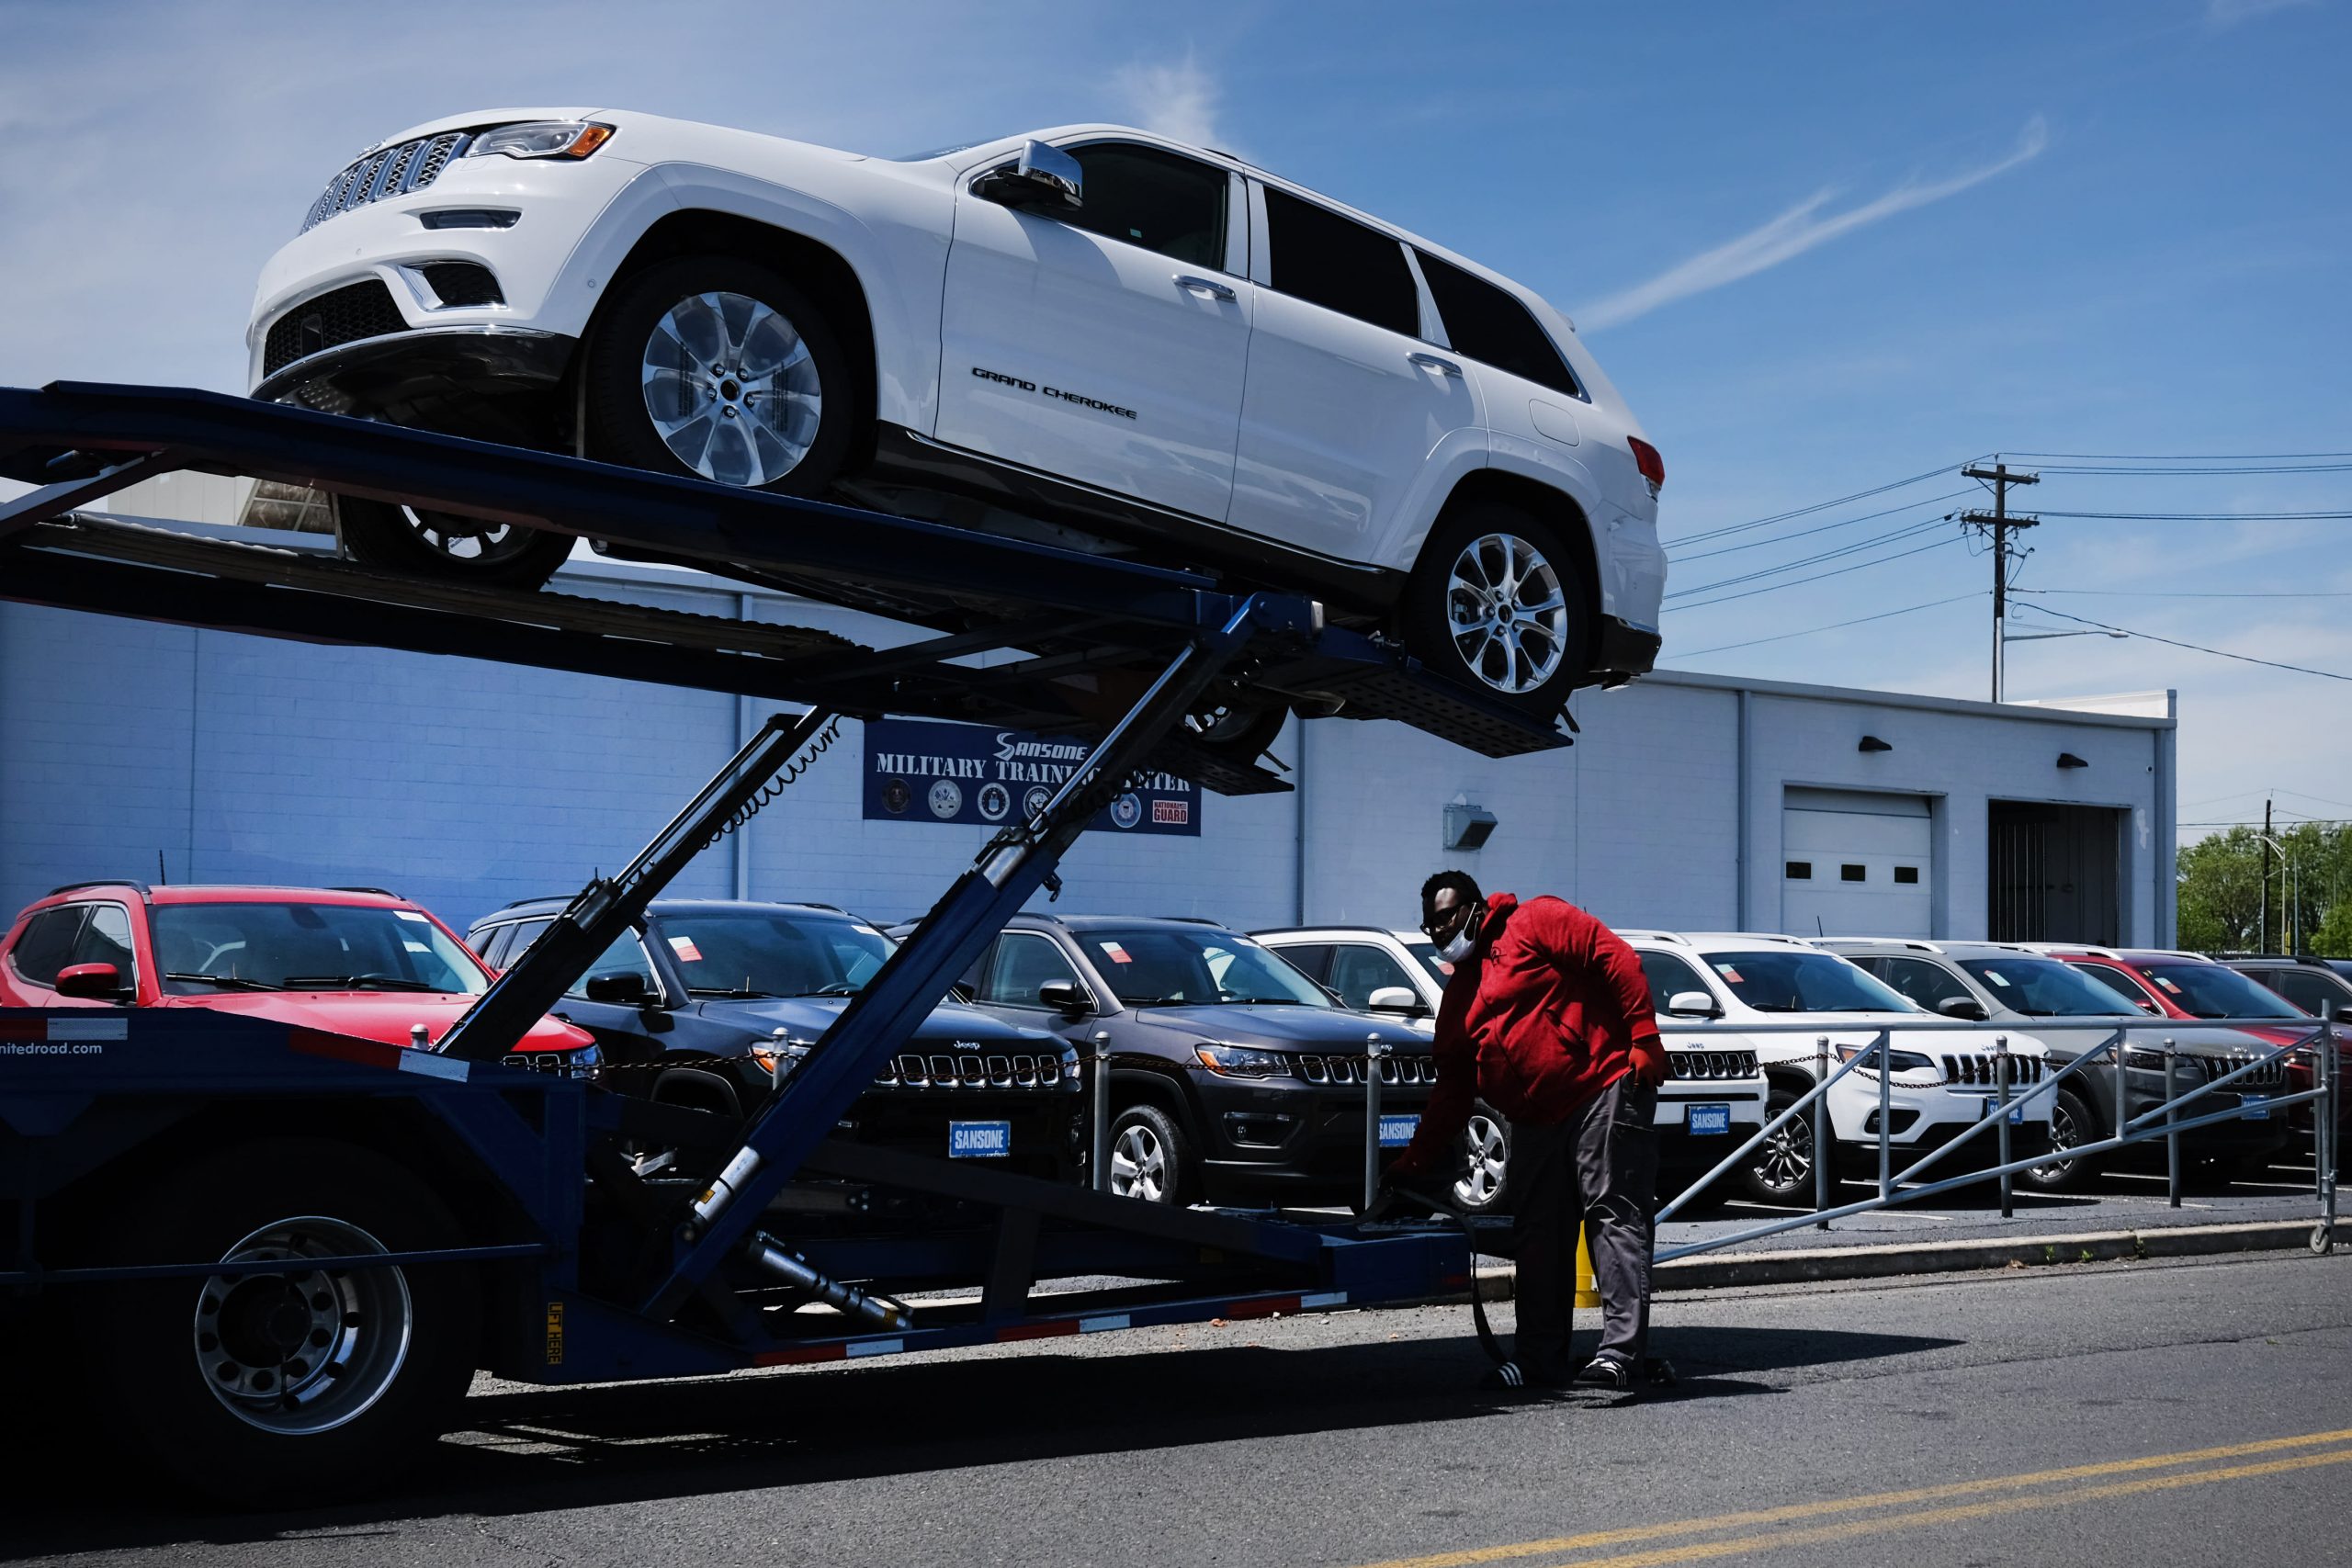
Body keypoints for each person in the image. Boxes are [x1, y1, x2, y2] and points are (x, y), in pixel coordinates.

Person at [1389, 870, 1668, 1393]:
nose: (1440, 931)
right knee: (1538, 1234)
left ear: (1473, 907)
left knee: (1612, 1215)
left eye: (1447, 917)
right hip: (1536, 1118)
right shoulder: (1459, 995)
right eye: (1431, 925)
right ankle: (1539, 1359)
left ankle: (1620, 1354)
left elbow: (1616, 958)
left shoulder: (1535, 920)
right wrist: (1415, 1161)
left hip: (1600, 1086)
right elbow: (1451, 1088)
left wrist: (1645, 1036)